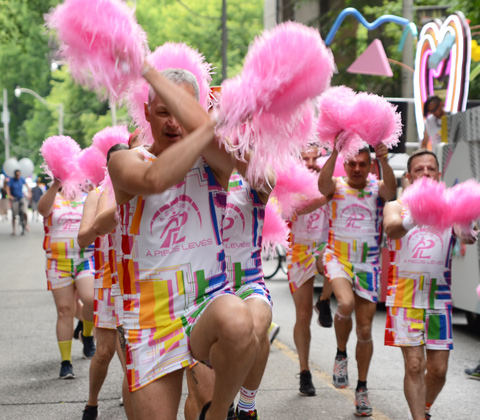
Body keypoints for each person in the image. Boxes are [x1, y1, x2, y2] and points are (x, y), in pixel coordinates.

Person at [108, 65, 257, 420]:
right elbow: (155, 178)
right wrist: (144, 67)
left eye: (181, 112)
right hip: (147, 317)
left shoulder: (216, 162)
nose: (173, 123)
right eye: (163, 112)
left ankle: (218, 414)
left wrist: (213, 122)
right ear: (146, 113)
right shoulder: (125, 160)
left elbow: (260, 174)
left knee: (239, 320)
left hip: (203, 304)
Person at [383, 149, 477, 420]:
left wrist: (469, 231)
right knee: (414, 365)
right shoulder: (396, 206)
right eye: (419, 169)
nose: (425, 173)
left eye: (431, 169)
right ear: (410, 177)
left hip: (438, 298)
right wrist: (416, 217)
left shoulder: (450, 208)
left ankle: (423, 409)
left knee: (438, 371)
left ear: (438, 175)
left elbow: (464, 234)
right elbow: (392, 228)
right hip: (403, 298)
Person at [185, 158, 275, 420]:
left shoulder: (252, 174)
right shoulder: (192, 173)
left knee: (255, 326)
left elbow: (268, 180)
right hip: (202, 290)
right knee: (205, 399)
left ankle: (246, 408)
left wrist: (236, 141)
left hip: (247, 283)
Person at [318, 142, 396, 416]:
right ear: (345, 164)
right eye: (352, 163)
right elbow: (321, 185)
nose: (357, 169)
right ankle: (341, 354)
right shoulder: (336, 185)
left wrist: (384, 159)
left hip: (369, 264)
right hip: (338, 258)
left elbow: (392, 190)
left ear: (370, 165)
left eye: (363, 164)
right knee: (346, 303)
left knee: (364, 330)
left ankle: (361, 388)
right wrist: (336, 152)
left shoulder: (377, 188)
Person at [78, 143, 132, 420]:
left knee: (134, 354)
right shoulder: (97, 195)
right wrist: (105, 216)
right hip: (108, 282)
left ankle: (138, 403)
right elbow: (83, 238)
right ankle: (92, 403)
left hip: (139, 283)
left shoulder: (141, 191)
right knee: (105, 351)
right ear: (107, 167)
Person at [37, 179, 96, 379]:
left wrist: (94, 190)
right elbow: (42, 210)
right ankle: (66, 362)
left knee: (91, 299)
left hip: (85, 259)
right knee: (64, 311)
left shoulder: (88, 195)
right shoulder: (53, 196)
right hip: (57, 263)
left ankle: (87, 335)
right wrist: (55, 185)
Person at [286, 144, 329, 396]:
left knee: (331, 261)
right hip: (298, 250)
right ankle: (304, 372)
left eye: (316, 159)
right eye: (306, 159)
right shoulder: (288, 185)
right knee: (303, 316)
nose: (311, 163)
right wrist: (325, 198)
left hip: (325, 245)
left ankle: (324, 300)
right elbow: (295, 209)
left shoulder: (332, 181)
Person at [6, 169, 31, 235]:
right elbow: (7, 188)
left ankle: (26, 225)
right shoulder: (11, 180)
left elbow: (27, 186)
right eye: (17, 174)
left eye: (19, 174)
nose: (18, 176)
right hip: (14, 199)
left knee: (25, 211)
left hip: (21, 197)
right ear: (15, 175)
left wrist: (29, 193)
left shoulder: (22, 179)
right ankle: (14, 229)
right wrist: (9, 196)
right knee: (14, 214)